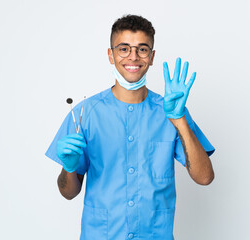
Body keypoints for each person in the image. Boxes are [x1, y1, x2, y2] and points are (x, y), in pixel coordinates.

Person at [46, 14, 215, 240]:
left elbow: (205, 177)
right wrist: (68, 167)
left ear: (152, 56)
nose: (133, 57)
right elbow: (68, 193)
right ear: (111, 54)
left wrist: (179, 120)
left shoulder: (171, 110)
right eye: (124, 48)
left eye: (142, 49)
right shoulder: (85, 114)